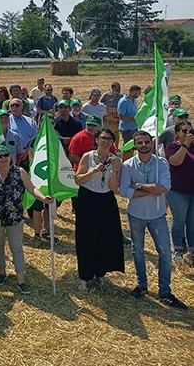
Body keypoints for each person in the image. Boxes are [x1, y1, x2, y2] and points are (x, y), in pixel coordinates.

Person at [0, 144, 54, 295]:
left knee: (16, 247)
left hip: (15, 216)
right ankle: (1, 272)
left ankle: (21, 279)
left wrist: (44, 198)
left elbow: (32, 189)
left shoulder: (20, 172)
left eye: (5, 155)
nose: (3, 158)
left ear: (10, 157)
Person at [119, 130, 187, 309]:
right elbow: (124, 191)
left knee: (165, 252)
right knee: (138, 251)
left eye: (146, 142)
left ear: (152, 143)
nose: (143, 145)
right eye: (139, 143)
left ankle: (165, 291)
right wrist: (151, 190)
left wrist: (139, 186)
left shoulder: (162, 163)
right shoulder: (127, 165)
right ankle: (142, 286)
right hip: (136, 215)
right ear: (135, 145)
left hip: (158, 216)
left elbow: (165, 187)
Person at [73, 128, 124, 292]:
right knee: (86, 237)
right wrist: (93, 171)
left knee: (105, 237)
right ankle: (85, 277)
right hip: (88, 199)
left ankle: (99, 273)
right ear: (97, 140)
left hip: (106, 199)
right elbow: (78, 180)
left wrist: (115, 170)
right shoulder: (88, 157)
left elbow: (113, 187)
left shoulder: (115, 160)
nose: (106, 141)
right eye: (103, 138)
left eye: (110, 138)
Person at [165, 121, 194, 266]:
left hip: (192, 191)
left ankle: (192, 251)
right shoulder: (172, 147)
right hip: (177, 191)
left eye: (190, 131)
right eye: (184, 131)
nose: (188, 134)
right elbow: (175, 161)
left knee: (192, 222)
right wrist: (185, 145)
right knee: (179, 220)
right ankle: (177, 249)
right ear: (177, 133)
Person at [101, 82, 123, 146]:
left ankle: (116, 147)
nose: (119, 89)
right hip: (108, 116)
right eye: (117, 88)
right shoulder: (106, 95)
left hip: (115, 116)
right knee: (107, 131)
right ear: (113, 88)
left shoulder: (121, 96)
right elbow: (100, 103)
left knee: (116, 132)